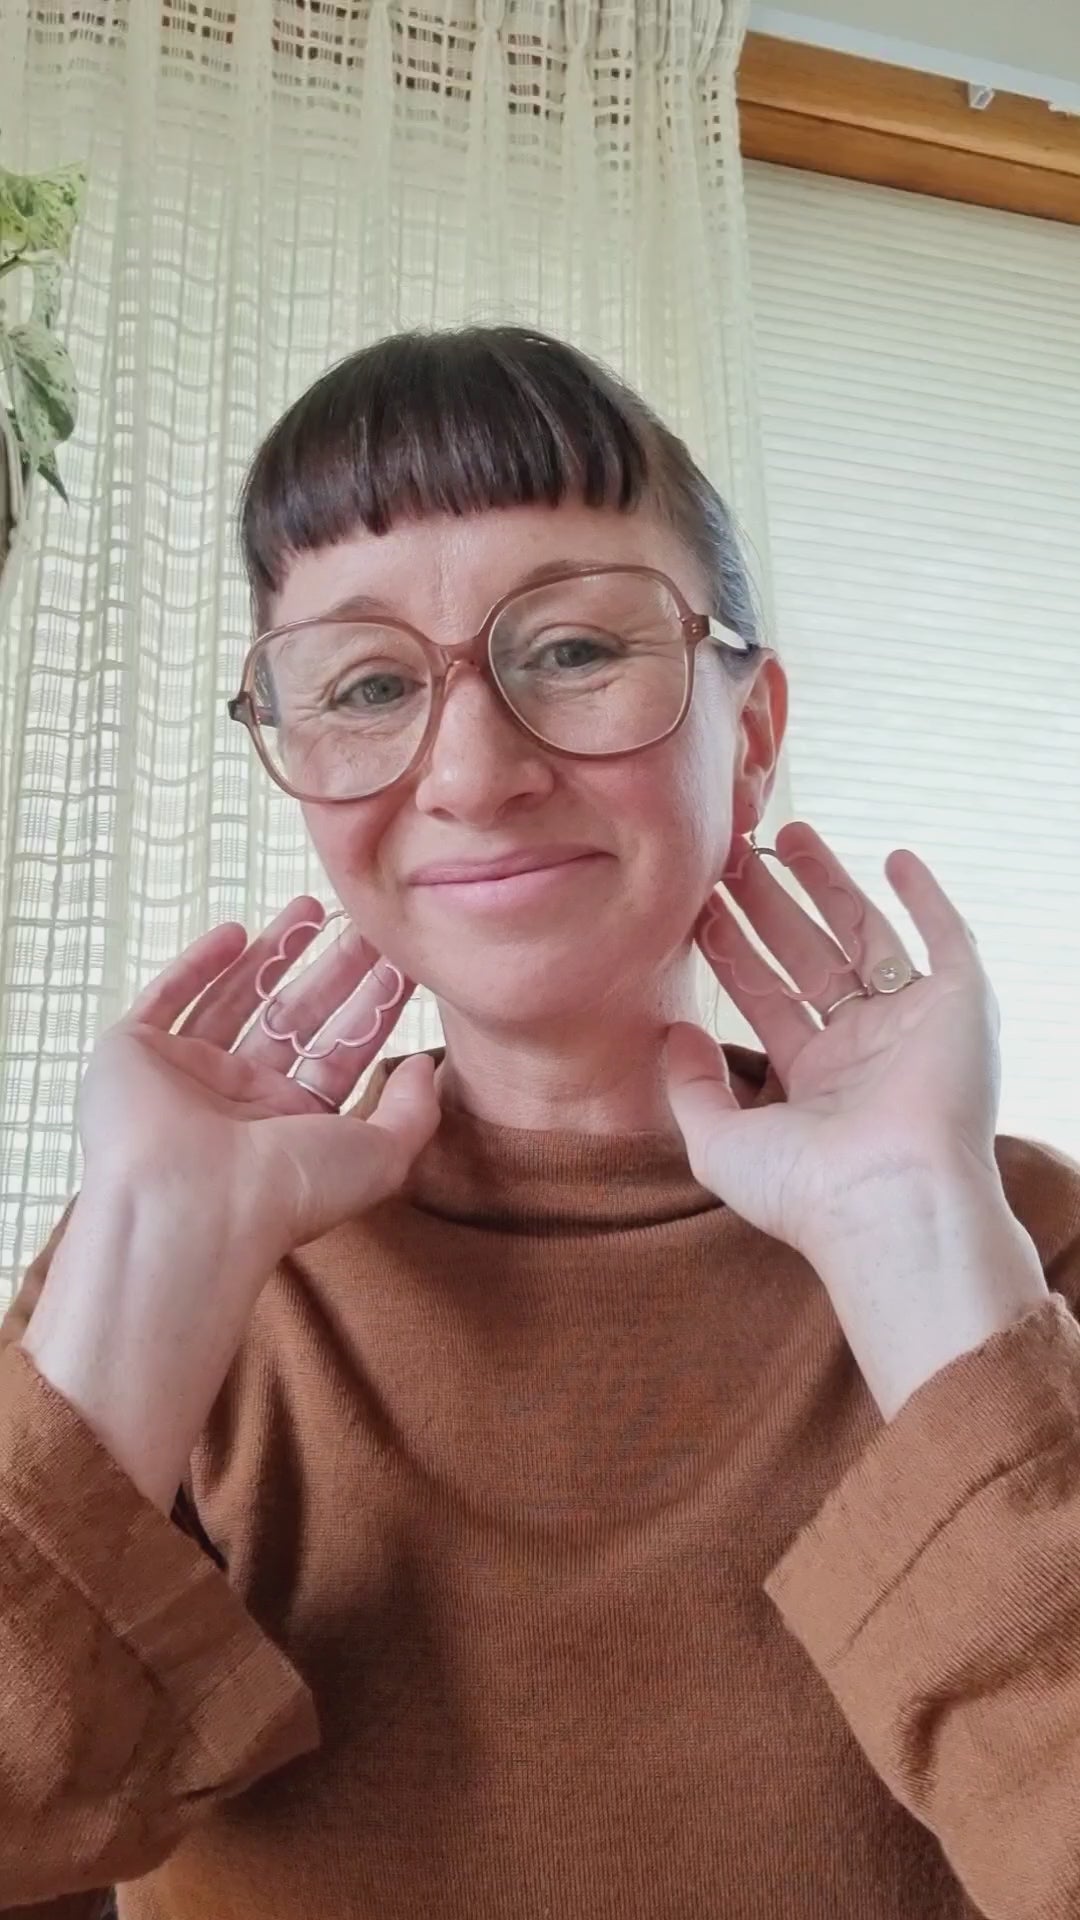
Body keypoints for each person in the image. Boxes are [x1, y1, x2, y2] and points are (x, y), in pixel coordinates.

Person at [1, 325, 1078, 1920]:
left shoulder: (1022, 1248)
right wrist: (152, 1246)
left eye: (574, 650)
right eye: (366, 686)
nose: (475, 770)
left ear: (753, 733)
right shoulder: (162, 1279)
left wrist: (917, 1241)